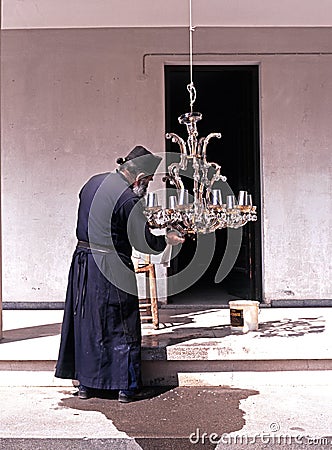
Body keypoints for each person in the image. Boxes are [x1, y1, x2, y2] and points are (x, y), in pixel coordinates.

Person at [55, 145, 184, 402]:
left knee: (88, 322)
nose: (146, 187)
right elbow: (143, 241)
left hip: (83, 264)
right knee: (120, 323)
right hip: (111, 265)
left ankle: (86, 386)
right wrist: (168, 239)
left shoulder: (93, 182)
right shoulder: (128, 198)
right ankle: (125, 387)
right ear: (139, 178)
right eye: (147, 182)